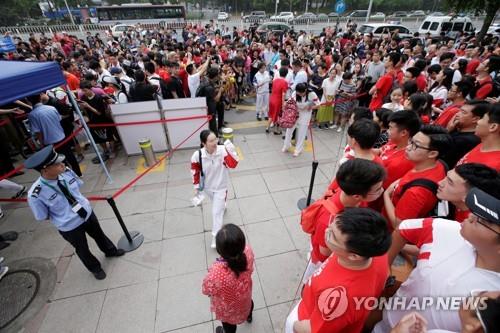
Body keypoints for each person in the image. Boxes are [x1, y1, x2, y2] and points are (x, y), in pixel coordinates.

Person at [373, 186, 500, 333]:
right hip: (382, 316)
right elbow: (404, 229)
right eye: (475, 212)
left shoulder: (496, 299)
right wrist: (383, 270)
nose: (470, 216)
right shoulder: (446, 229)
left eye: (482, 220)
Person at [26, 146, 125, 280]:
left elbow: (77, 186)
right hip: (69, 225)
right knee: (82, 249)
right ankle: (95, 268)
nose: (62, 164)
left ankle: (110, 251)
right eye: (57, 164)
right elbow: (42, 215)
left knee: (99, 235)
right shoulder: (35, 194)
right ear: (45, 169)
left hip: (87, 213)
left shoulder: (66, 171)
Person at [286, 208, 392, 333]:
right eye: (331, 225)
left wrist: (293, 325)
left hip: (305, 320)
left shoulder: (339, 298)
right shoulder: (375, 254)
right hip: (313, 305)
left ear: (354, 256)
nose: (326, 230)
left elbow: (314, 330)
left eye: (333, 235)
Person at [306, 159, 386, 281]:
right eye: (377, 189)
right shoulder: (329, 220)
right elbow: (324, 253)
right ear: (357, 196)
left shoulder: (352, 194)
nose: (382, 191)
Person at [384, 125, 452, 229]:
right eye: (411, 141)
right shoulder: (438, 164)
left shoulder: (417, 192)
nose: (408, 147)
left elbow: (398, 225)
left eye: (416, 145)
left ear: (432, 153)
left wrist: (386, 195)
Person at [190, 130, 239, 248]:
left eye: (215, 139)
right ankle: (223, 205)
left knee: (216, 212)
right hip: (207, 188)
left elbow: (233, 165)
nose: (215, 142)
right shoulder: (197, 155)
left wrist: (230, 150)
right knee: (217, 204)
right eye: (211, 141)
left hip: (221, 187)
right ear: (203, 143)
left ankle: (216, 237)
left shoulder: (222, 150)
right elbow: (194, 171)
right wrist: (196, 186)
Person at [202, 224, 254, 333]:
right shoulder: (248, 251)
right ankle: (249, 316)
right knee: (249, 305)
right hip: (245, 298)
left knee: (229, 326)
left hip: (229, 308)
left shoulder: (216, 273)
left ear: (220, 251)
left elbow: (206, 290)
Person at [26, 93, 82, 176]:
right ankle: (78, 173)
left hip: (49, 142)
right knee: (70, 156)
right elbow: (59, 119)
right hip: (62, 136)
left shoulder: (32, 114)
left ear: (29, 101)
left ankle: (68, 176)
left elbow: (38, 132)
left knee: (58, 160)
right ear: (40, 98)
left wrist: (41, 144)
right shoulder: (51, 108)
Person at [379, 111, 421, 189]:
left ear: (403, 133)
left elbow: (381, 187)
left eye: (390, 128)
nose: (387, 131)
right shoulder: (394, 142)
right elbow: (379, 150)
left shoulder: (403, 161)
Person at [442, 101, 488, 168]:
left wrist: (447, 131)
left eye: (463, 112)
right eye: (459, 111)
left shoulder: (465, 140)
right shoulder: (456, 129)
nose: (457, 114)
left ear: (475, 119)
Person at [457, 103, 500, 170]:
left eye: (483, 118)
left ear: (493, 127)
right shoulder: (483, 145)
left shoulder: (492, 167)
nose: (478, 121)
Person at [282, 83, 320, 157]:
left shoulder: (312, 94)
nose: (299, 94)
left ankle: (298, 150)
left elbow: (319, 105)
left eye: (301, 93)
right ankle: (286, 145)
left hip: (306, 114)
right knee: (289, 129)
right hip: (295, 113)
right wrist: (286, 103)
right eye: (298, 93)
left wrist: (310, 107)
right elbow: (290, 101)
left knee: (302, 132)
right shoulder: (295, 93)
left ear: (305, 90)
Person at [267, 67, 288, 135]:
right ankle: (276, 130)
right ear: (286, 74)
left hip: (272, 99)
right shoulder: (285, 82)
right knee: (278, 116)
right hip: (278, 101)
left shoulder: (275, 80)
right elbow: (283, 94)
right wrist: (283, 105)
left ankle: (267, 127)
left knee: (271, 114)